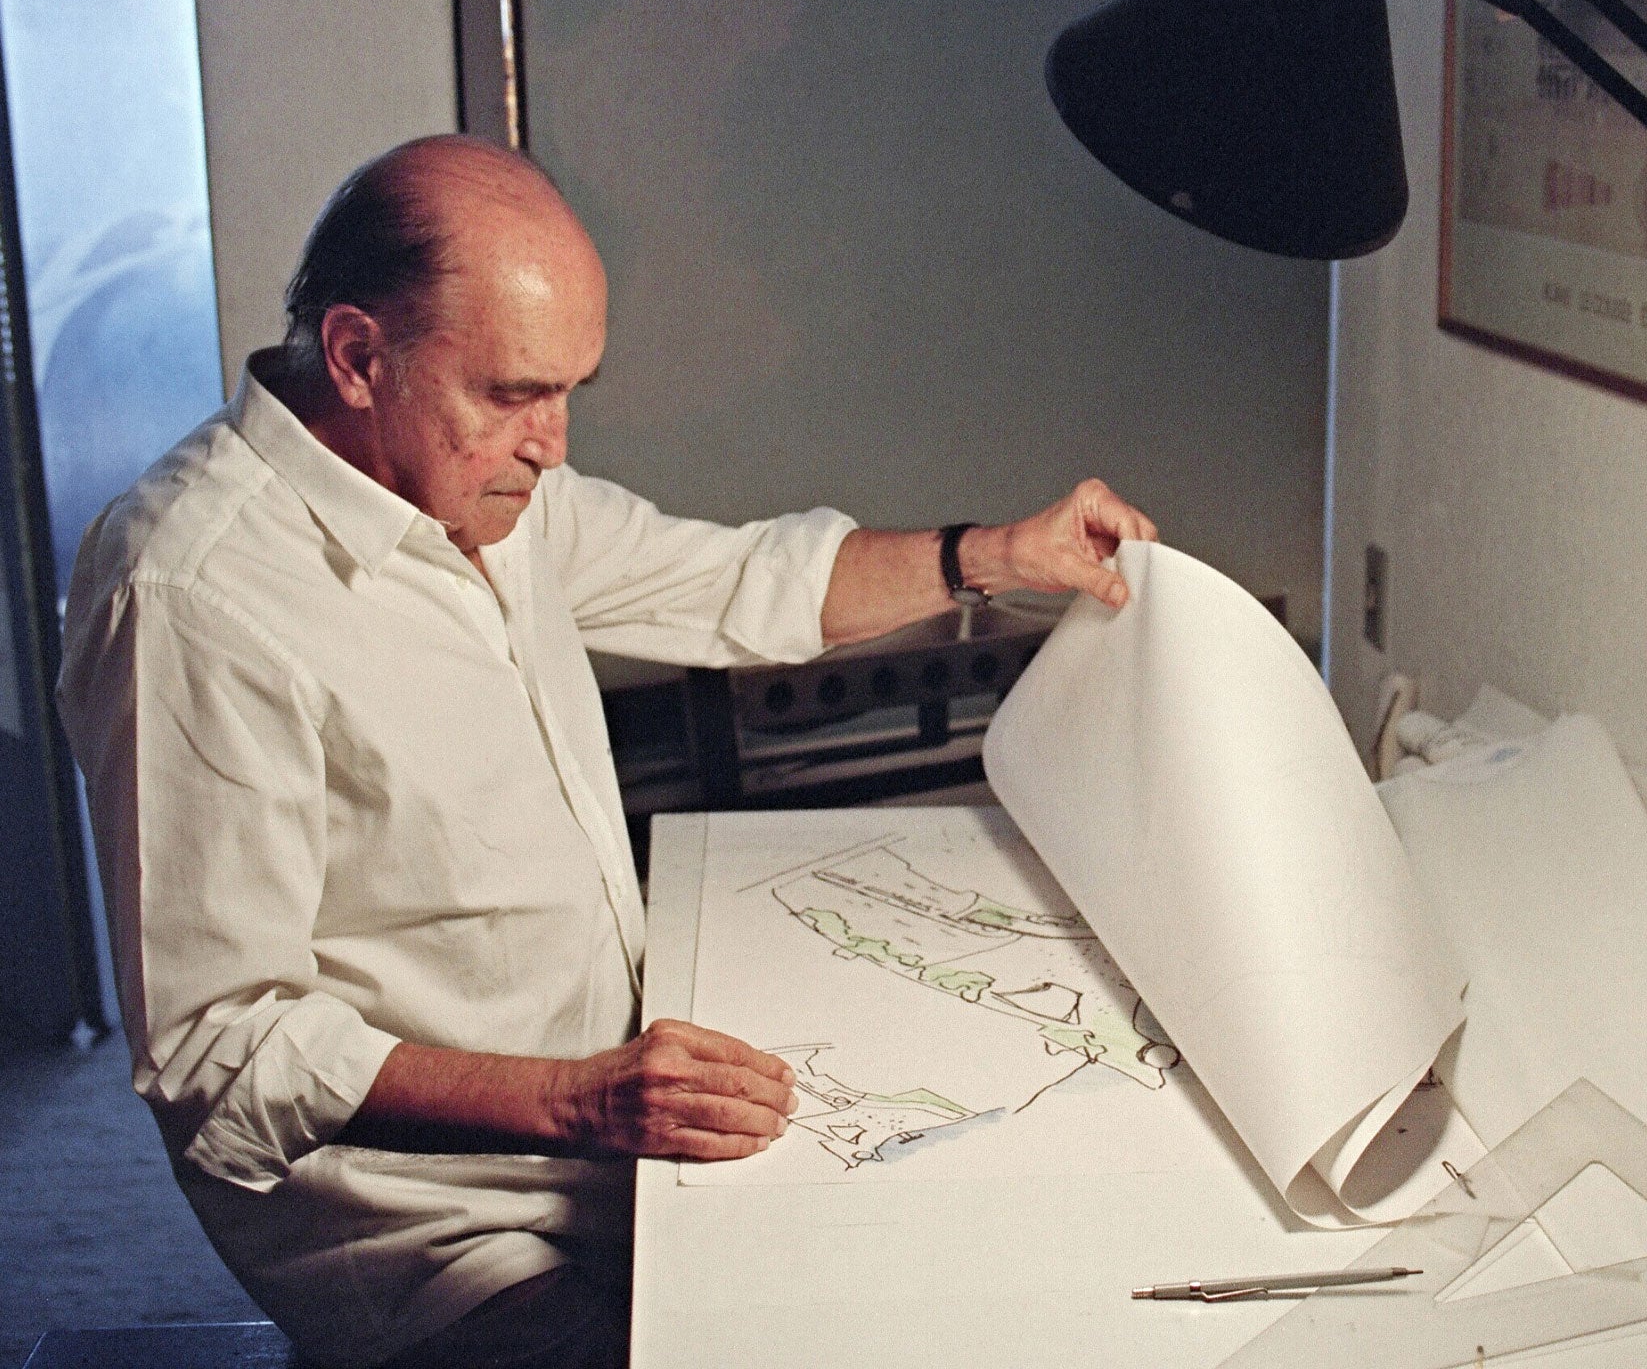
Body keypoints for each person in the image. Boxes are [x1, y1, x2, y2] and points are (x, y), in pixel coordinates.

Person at [56, 134, 1157, 1369]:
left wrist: (993, 555)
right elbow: (223, 1050)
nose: (553, 444)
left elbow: (740, 580)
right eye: (514, 393)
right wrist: (576, 1097)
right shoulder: (192, 591)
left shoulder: (478, 487)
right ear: (360, 356)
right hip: (435, 1232)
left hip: (598, 1138)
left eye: (571, 389)